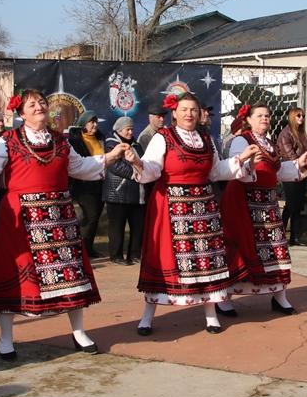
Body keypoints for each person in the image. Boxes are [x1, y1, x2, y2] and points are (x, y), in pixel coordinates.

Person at [0, 89, 128, 358]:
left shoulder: (60, 141)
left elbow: (80, 166)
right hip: (22, 216)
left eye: (42, 102)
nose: (39, 107)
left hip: (59, 216)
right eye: (32, 104)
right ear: (21, 113)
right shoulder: (9, 140)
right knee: (15, 274)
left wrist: (112, 155)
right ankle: (6, 338)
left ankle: (79, 332)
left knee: (70, 273)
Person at [124, 91, 260, 335]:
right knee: (164, 259)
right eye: (184, 109)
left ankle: (210, 315)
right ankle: (147, 316)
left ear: (200, 114)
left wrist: (242, 158)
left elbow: (216, 171)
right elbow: (152, 169)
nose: (189, 114)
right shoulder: (163, 137)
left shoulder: (206, 139)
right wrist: (137, 162)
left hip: (203, 207)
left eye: (194, 110)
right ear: (174, 113)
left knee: (206, 261)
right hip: (171, 206)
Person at [221, 103, 307, 314]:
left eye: (267, 116)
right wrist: (248, 162)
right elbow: (235, 166)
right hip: (244, 202)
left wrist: (299, 163)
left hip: (267, 203)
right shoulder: (242, 140)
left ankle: (279, 296)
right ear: (249, 120)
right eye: (260, 116)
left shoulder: (270, 144)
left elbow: (277, 172)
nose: (265, 119)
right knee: (242, 248)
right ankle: (224, 298)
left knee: (275, 249)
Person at [103, 116, 146, 265]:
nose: (130, 132)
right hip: (117, 192)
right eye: (127, 129)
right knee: (117, 226)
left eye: (132, 129)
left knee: (138, 225)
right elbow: (114, 165)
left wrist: (142, 171)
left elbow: (143, 161)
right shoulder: (111, 144)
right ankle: (116, 255)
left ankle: (134, 254)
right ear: (119, 130)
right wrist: (135, 174)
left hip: (136, 194)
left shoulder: (136, 144)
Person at [68, 111, 106, 258]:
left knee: (95, 218)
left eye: (96, 122)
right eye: (91, 122)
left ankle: (89, 248)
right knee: (90, 216)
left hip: (100, 183)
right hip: (83, 186)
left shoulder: (100, 138)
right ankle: (81, 249)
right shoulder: (76, 141)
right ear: (83, 124)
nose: (95, 125)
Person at [276, 107, 307, 246]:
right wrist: (301, 163)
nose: (301, 118)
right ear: (292, 117)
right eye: (298, 116)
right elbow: (288, 154)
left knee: (297, 205)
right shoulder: (286, 133)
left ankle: (295, 237)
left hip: (302, 172)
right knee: (291, 204)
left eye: (302, 115)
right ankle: (282, 233)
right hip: (290, 171)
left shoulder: (302, 133)